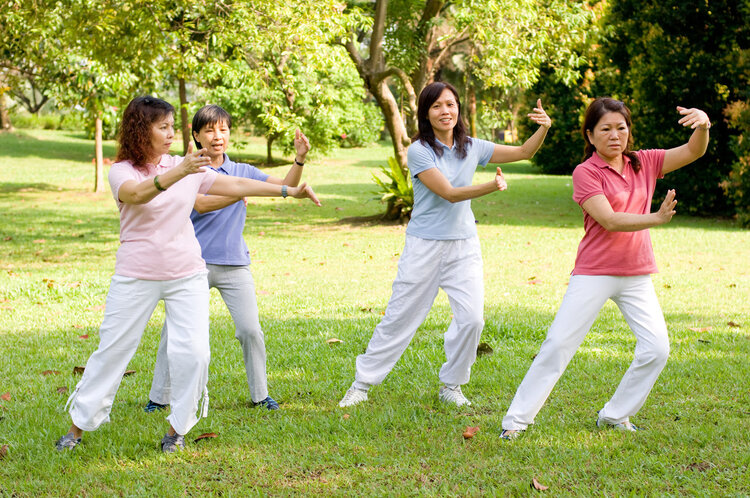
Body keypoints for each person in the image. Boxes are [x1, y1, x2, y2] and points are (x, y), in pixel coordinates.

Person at [55, 96, 320, 453]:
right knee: (113, 350)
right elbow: (136, 195)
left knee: (194, 353)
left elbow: (237, 186)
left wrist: (289, 191)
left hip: (186, 272)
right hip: (137, 274)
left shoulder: (184, 165)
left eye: (170, 126)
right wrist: (180, 171)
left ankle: (175, 430)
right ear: (140, 130)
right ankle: (77, 428)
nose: (169, 133)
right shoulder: (123, 171)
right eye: (161, 127)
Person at [500, 97, 710, 439]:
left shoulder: (646, 162)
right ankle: (516, 422)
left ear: (629, 131)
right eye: (606, 129)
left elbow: (692, 151)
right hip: (594, 273)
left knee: (657, 349)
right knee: (558, 345)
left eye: (621, 128)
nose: (615, 135)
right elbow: (609, 220)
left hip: (636, 274)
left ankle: (615, 415)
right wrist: (654, 218)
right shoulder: (585, 172)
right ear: (591, 135)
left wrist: (703, 125)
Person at [338, 81, 552, 408]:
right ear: (426, 113)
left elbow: (524, 152)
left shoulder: (472, 146)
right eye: (437, 106)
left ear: (458, 109)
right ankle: (362, 384)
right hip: (424, 246)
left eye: (450, 104)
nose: (445, 111)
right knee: (400, 317)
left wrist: (544, 129)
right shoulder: (419, 150)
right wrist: (491, 187)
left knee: (472, 320)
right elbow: (449, 193)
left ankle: (451, 384)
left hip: (464, 246)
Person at [144, 105, 310, 413]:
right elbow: (203, 204)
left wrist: (298, 159)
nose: (217, 136)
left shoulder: (243, 171)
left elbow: (284, 184)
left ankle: (260, 394)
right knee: (174, 331)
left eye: (223, 129)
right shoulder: (185, 168)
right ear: (196, 136)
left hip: (235, 263)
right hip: (193, 264)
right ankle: (159, 397)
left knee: (250, 331)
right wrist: (241, 192)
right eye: (209, 130)